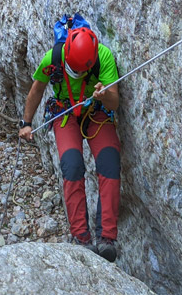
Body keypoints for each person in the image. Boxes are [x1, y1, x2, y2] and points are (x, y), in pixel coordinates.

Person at [18, 25, 122, 262]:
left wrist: (104, 95)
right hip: (65, 112)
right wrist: (25, 122)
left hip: (97, 111)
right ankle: (81, 238)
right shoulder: (54, 57)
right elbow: (37, 90)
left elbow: (114, 102)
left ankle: (106, 238)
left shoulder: (103, 57)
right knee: (72, 165)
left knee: (109, 162)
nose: (76, 73)